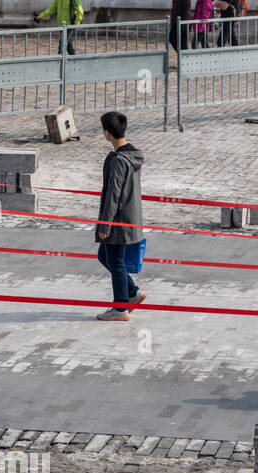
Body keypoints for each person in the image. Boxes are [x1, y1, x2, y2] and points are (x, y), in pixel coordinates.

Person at [95, 110, 145, 322]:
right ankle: (132, 292)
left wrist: (105, 225)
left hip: (118, 220)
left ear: (107, 133)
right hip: (130, 217)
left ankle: (120, 307)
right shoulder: (133, 155)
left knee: (115, 262)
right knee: (105, 257)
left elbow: (113, 195)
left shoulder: (118, 160)